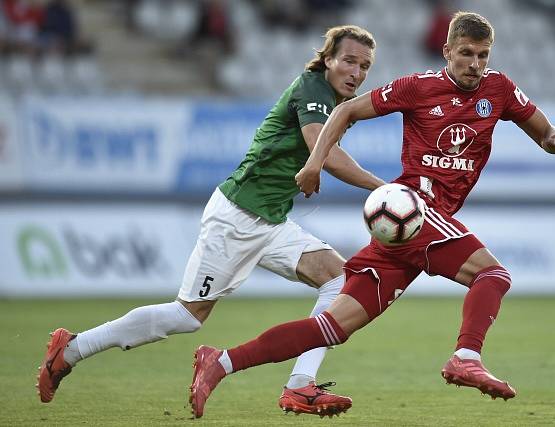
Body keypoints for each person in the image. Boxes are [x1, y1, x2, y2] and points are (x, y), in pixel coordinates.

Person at [188, 11, 555, 418]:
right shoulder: (418, 87)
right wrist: (314, 164)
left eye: (483, 55)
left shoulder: (499, 89)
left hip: (401, 230)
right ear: (448, 51)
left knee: (332, 327)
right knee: (493, 275)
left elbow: (544, 135)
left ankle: (221, 361)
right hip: (415, 209)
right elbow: (344, 112)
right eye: (466, 53)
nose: (475, 64)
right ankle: (466, 356)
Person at [37, 24, 385, 418]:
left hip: (270, 221)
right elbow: (321, 148)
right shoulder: (313, 89)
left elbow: (323, 152)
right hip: (237, 218)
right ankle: (71, 349)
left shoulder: (338, 101)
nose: (355, 72)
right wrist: (384, 189)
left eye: (365, 66)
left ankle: (300, 386)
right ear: (328, 60)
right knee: (186, 317)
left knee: (341, 280)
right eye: (349, 61)